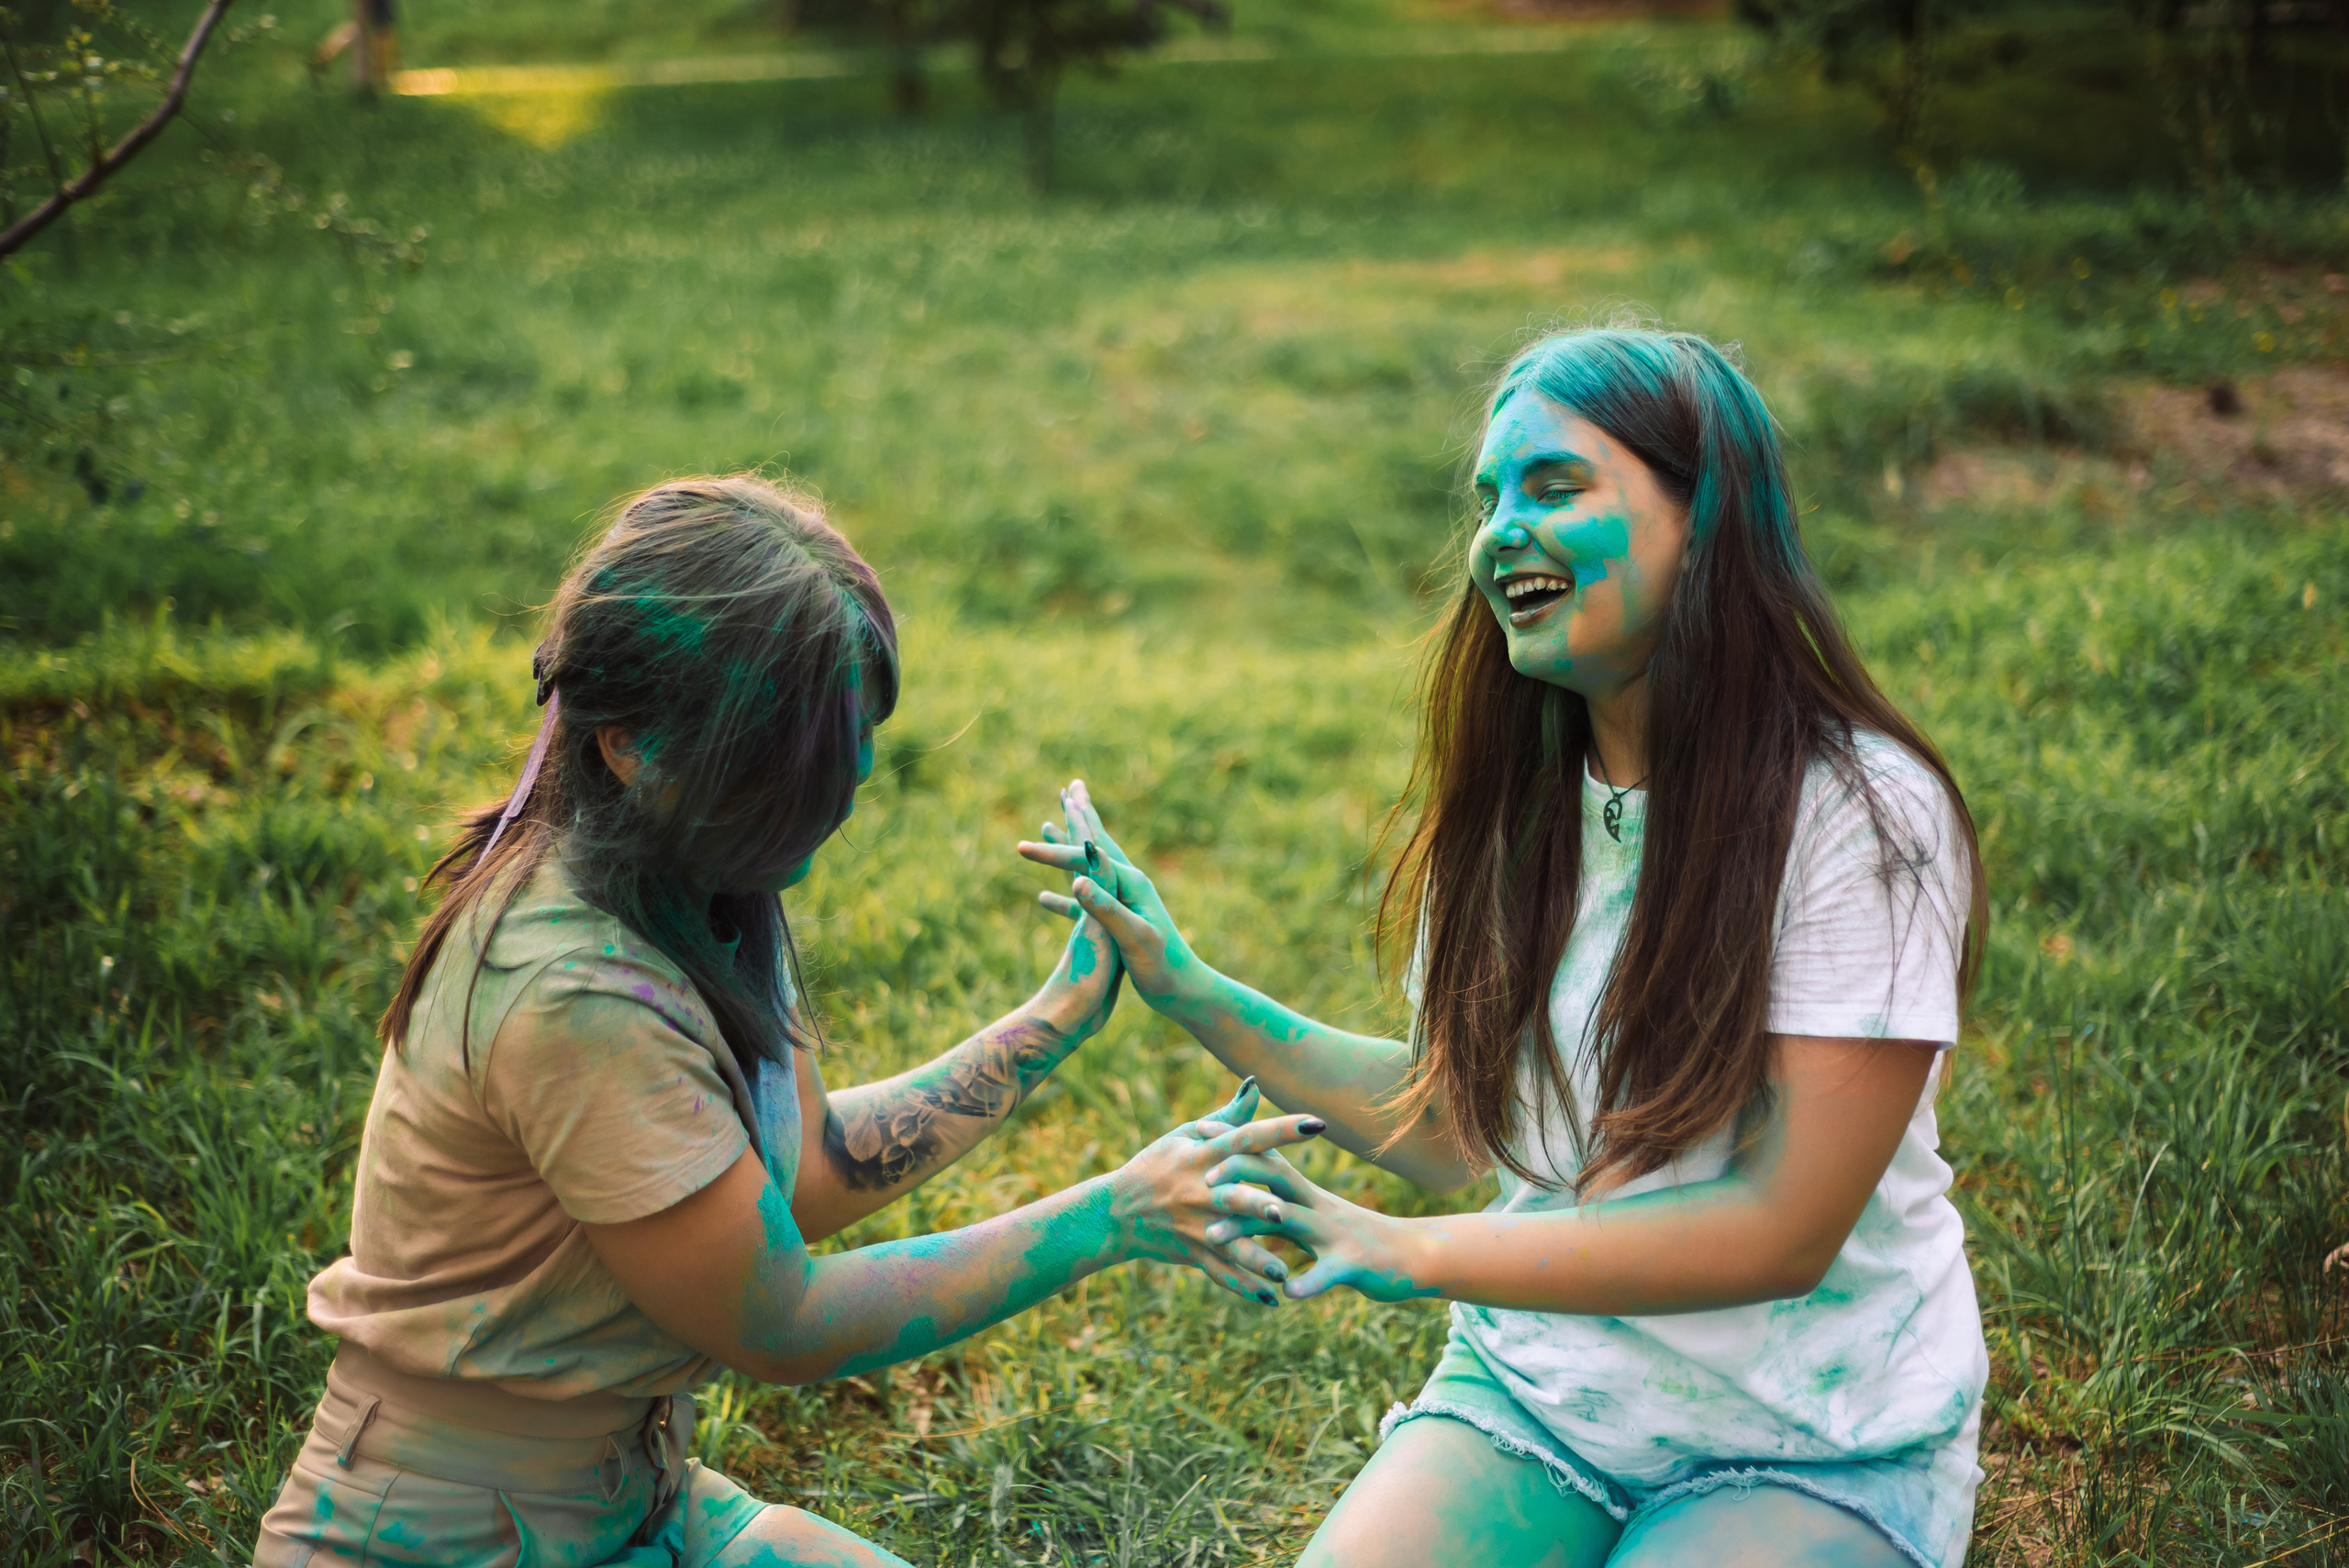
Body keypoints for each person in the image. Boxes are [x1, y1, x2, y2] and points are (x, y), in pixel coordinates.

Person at [1022, 328, 1990, 1568]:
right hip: (1544, 1392)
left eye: (1552, 486)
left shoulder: (1858, 812)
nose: (1498, 533)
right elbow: (1454, 1127)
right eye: (1487, 499)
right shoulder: (1520, 809)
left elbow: (1782, 1225)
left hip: (1816, 1433)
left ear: (1708, 519)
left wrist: (1415, 1255)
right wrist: (1188, 984)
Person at [254, 474, 1318, 1567]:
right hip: (445, 1533)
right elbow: (779, 1318)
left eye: (850, 738)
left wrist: (1054, 1017)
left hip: (635, 1500)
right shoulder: (574, 993)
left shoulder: (705, 872)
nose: (845, 785)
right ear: (628, 742)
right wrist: (1114, 1213)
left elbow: (800, 1168)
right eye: (797, 760)